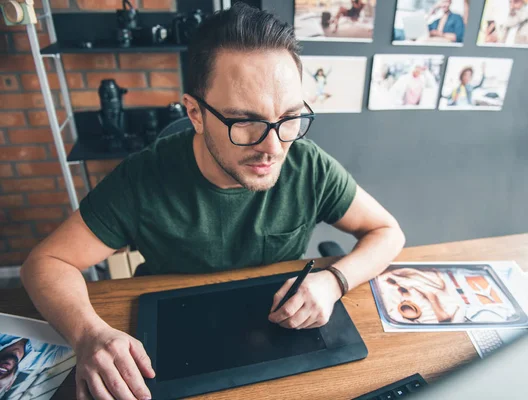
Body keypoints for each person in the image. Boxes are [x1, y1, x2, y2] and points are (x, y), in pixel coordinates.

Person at [20, 3, 405, 400]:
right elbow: (46, 263)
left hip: (280, 343)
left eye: (289, 117)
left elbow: (388, 232)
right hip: (177, 342)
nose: (273, 147)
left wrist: (334, 281)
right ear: (195, 113)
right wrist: (89, 333)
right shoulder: (144, 177)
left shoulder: (308, 165)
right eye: (244, 121)